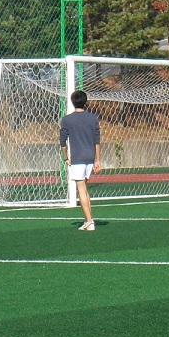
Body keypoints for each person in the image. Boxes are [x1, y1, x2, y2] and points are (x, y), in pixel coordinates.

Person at [59, 90, 101, 231]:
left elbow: (62, 142)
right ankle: (89, 219)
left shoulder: (67, 119)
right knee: (85, 190)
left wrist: (66, 158)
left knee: (81, 190)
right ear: (85, 102)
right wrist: (98, 160)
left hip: (77, 158)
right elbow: (97, 141)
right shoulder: (92, 118)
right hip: (90, 158)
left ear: (72, 102)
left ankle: (89, 221)